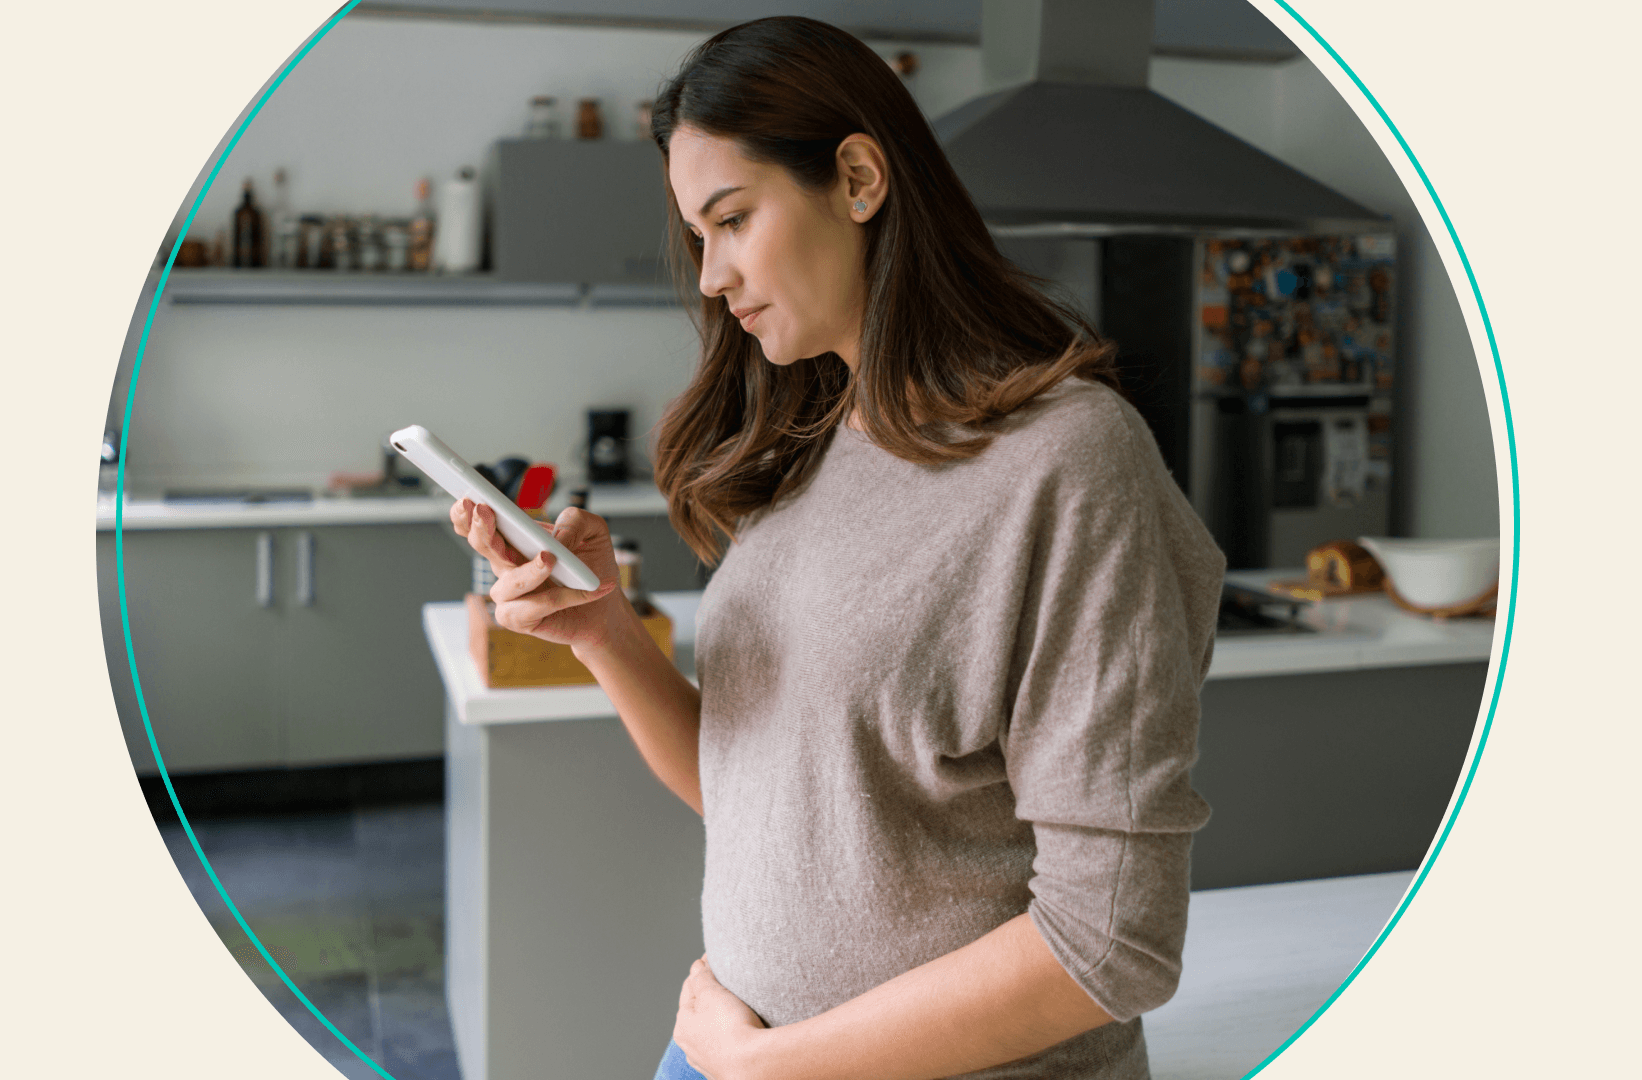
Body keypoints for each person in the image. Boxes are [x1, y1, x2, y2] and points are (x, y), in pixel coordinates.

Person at [449, 16, 1224, 1080]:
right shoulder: (806, 447)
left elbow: (1113, 944)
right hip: (728, 1048)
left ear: (858, 179)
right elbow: (771, 794)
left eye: (732, 219)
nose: (712, 276)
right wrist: (604, 634)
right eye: (696, 238)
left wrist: (768, 1066)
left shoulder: (1070, 461)